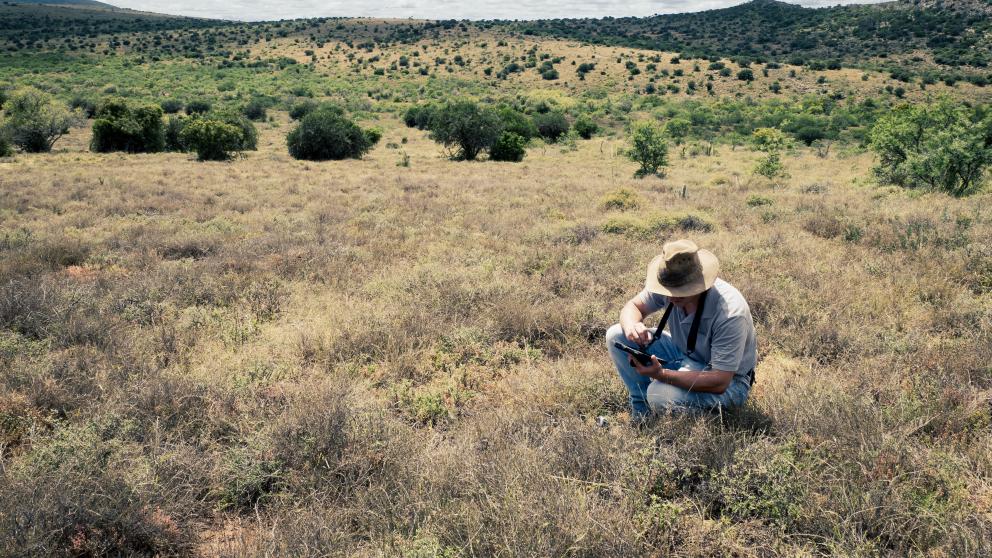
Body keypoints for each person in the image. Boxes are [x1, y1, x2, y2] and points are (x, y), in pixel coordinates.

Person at [605, 239, 757, 420]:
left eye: (680, 291)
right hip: (686, 355)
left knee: (659, 395)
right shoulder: (669, 284)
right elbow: (633, 307)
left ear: (699, 284)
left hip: (731, 382)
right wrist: (632, 326)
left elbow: (720, 381)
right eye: (668, 290)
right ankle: (643, 410)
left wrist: (662, 375)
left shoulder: (730, 314)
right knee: (617, 335)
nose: (670, 296)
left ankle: (720, 420)